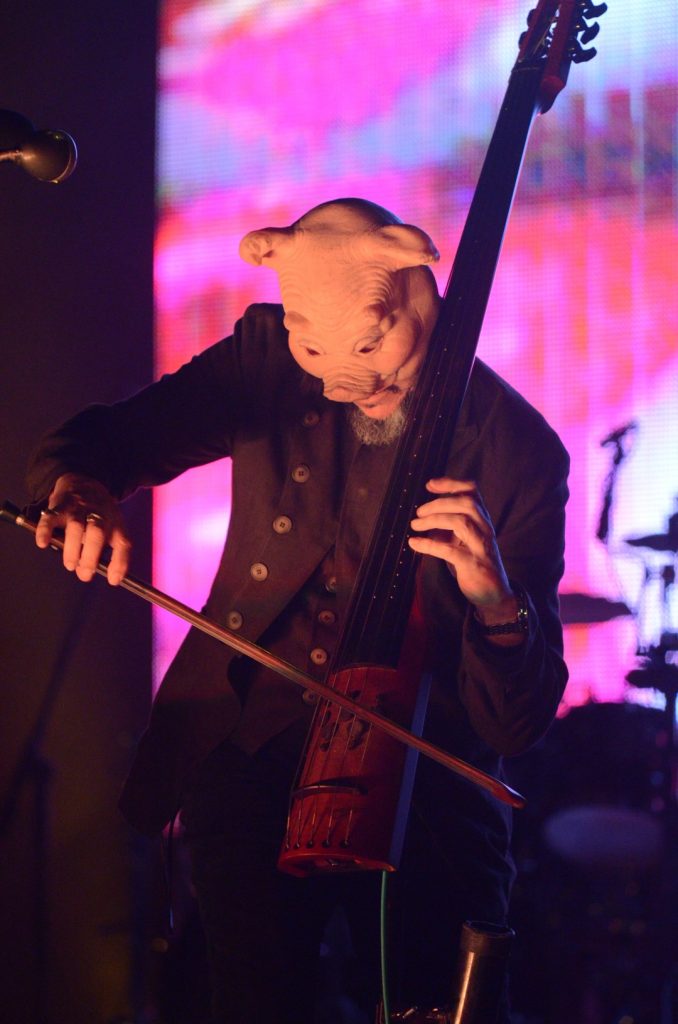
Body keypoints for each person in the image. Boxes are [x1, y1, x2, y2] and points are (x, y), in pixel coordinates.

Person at [27, 199, 569, 1024]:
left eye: (374, 349)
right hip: (252, 755)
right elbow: (112, 439)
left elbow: (517, 723)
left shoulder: (518, 449)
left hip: (424, 790)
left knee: (437, 997)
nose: (351, 384)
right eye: (316, 353)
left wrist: (495, 602)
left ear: (420, 292)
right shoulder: (268, 361)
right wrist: (80, 490)